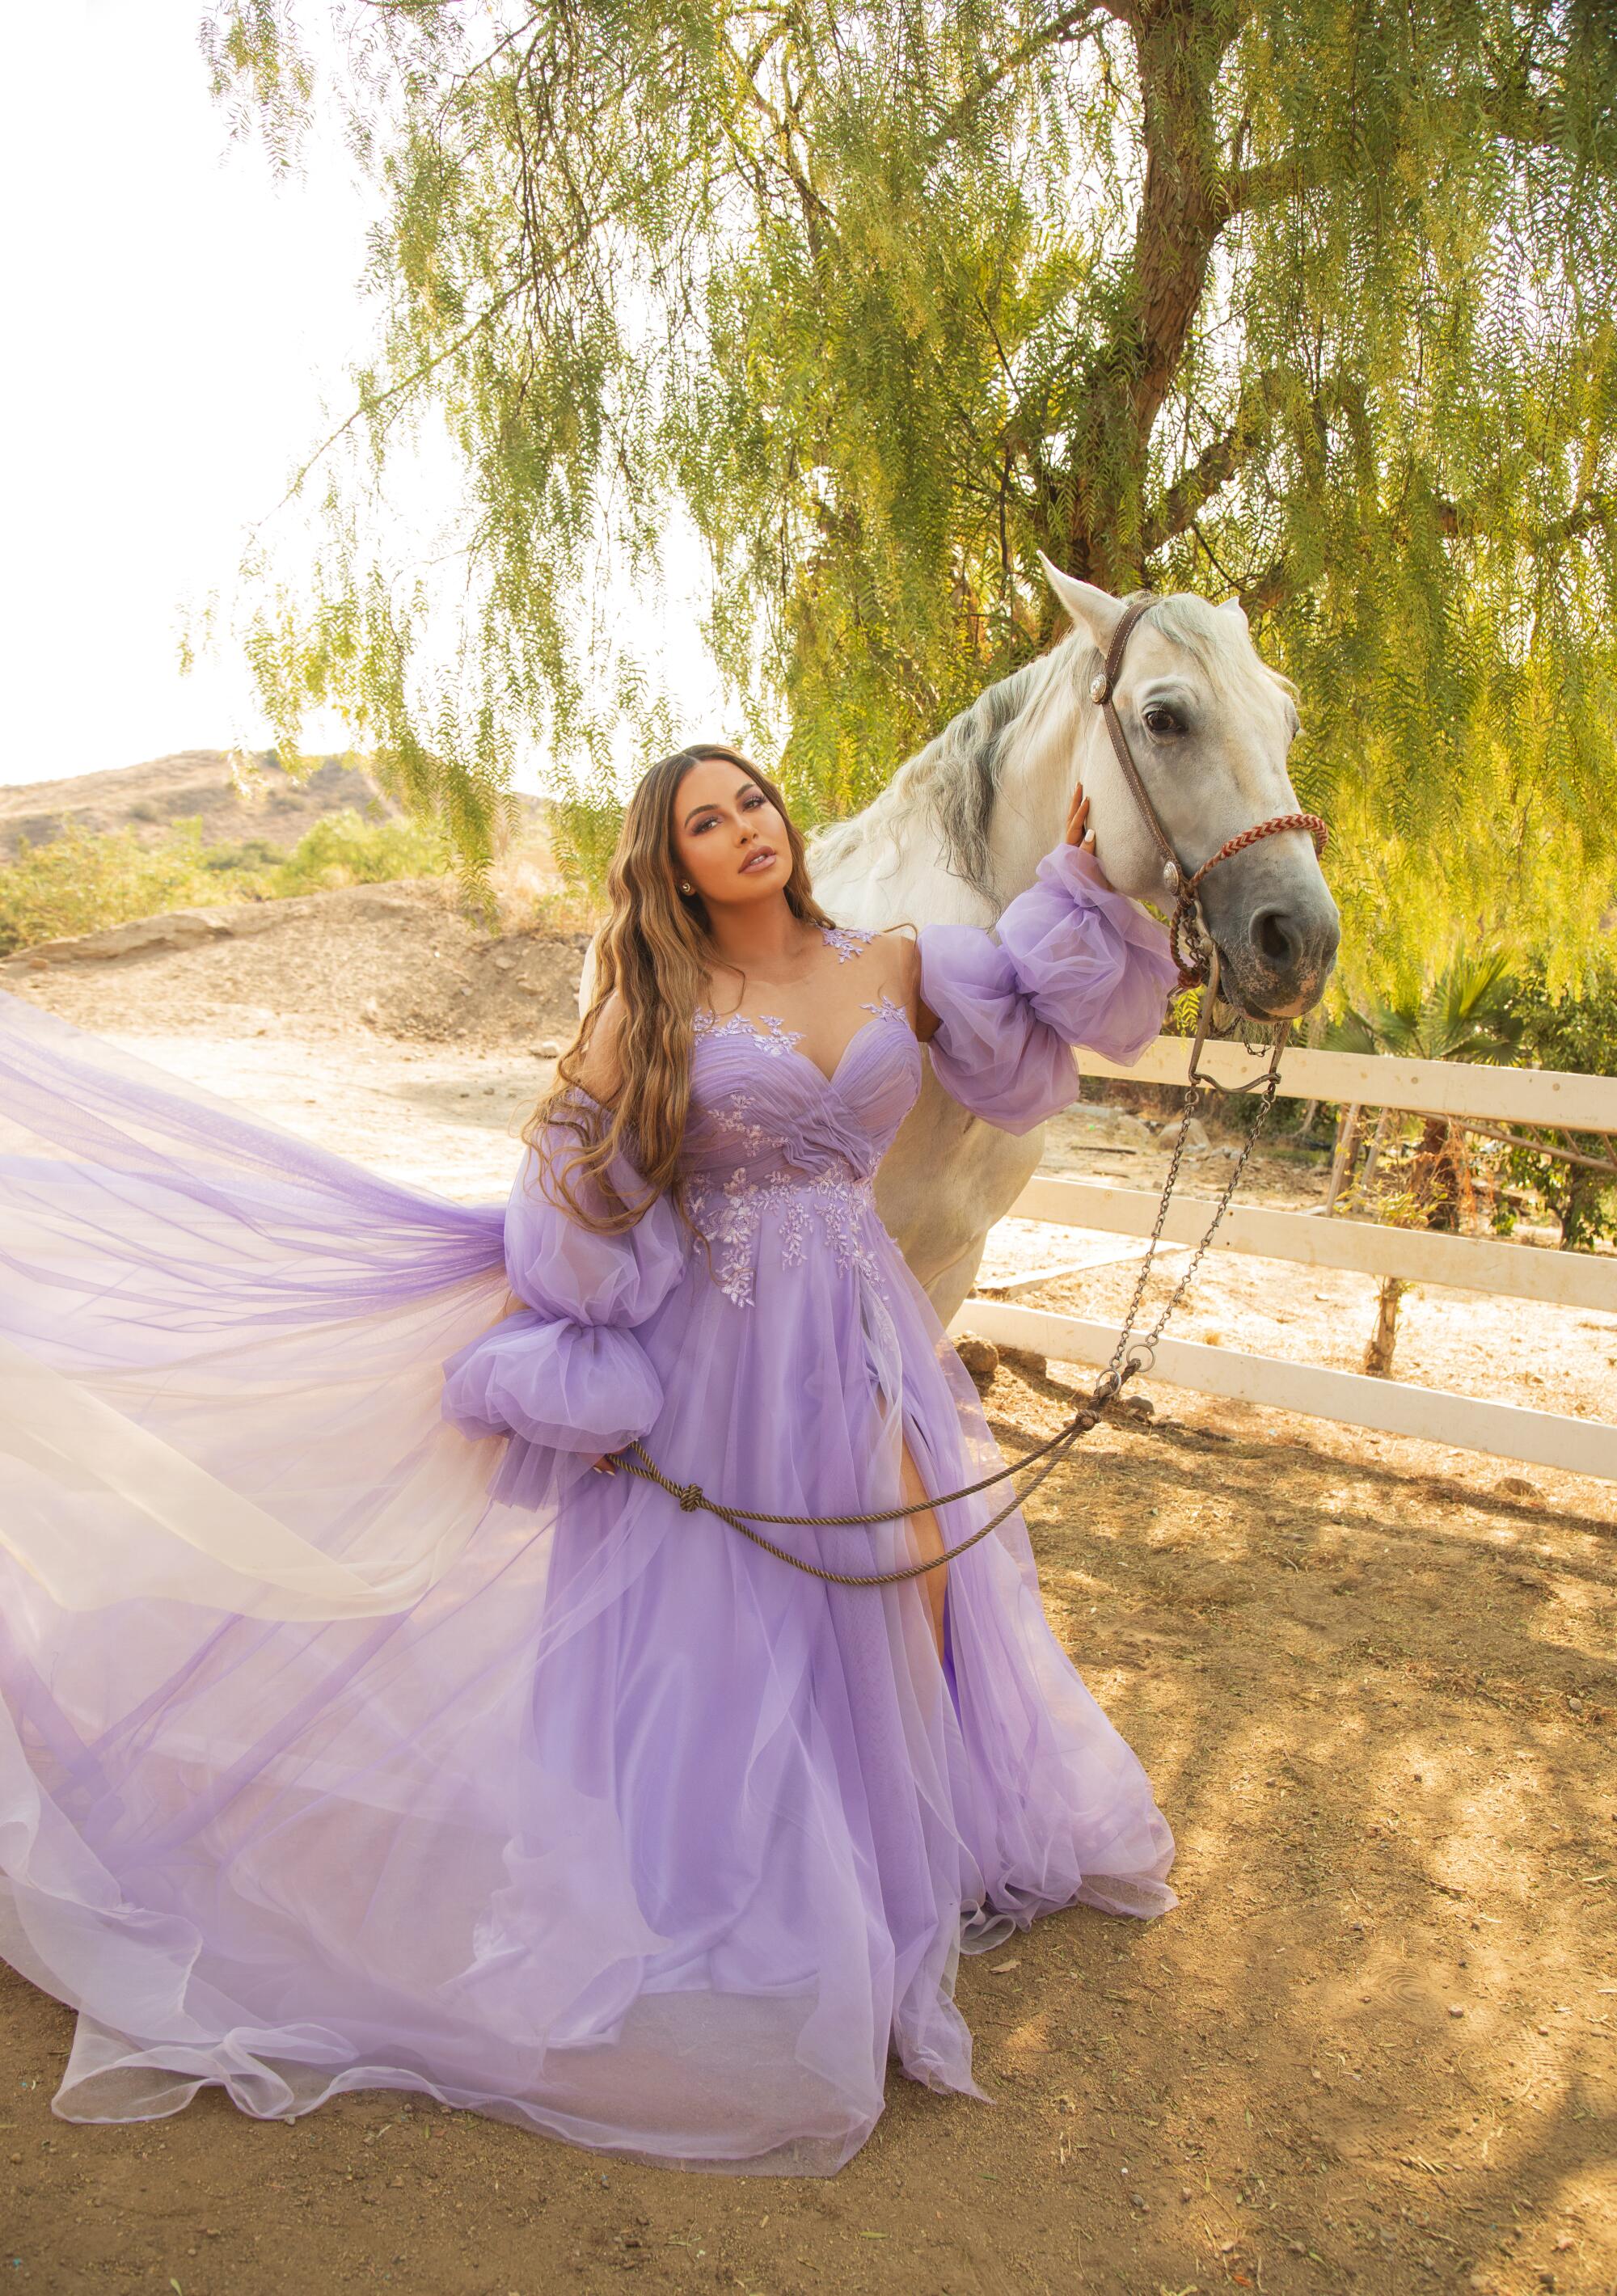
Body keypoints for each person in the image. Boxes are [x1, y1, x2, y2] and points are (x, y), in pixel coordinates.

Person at [0, 742, 1180, 2176]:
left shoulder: (901, 963)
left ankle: (899, 1861)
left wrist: (1079, 878)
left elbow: (1033, 1051)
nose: (744, 828)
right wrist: (592, 1342)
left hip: (863, 1328)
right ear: (670, 860)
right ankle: (728, 1879)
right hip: (712, 1361)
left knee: (916, 1561)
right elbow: (574, 1183)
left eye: (753, 801)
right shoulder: (658, 1004)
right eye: (705, 820)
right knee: (723, 1619)